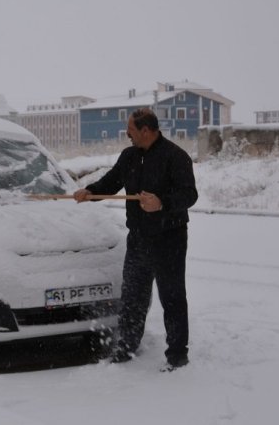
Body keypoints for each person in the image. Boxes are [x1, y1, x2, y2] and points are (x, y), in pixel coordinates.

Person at [74, 108, 198, 371]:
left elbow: (189, 195)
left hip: (169, 239)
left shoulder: (176, 157)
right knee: (132, 296)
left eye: (130, 129)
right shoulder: (129, 156)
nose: (127, 134)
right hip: (138, 238)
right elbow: (112, 181)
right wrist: (91, 191)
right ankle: (126, 347)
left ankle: (177, 355)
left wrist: (161, 203)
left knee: (172, 297)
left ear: (145, 130)